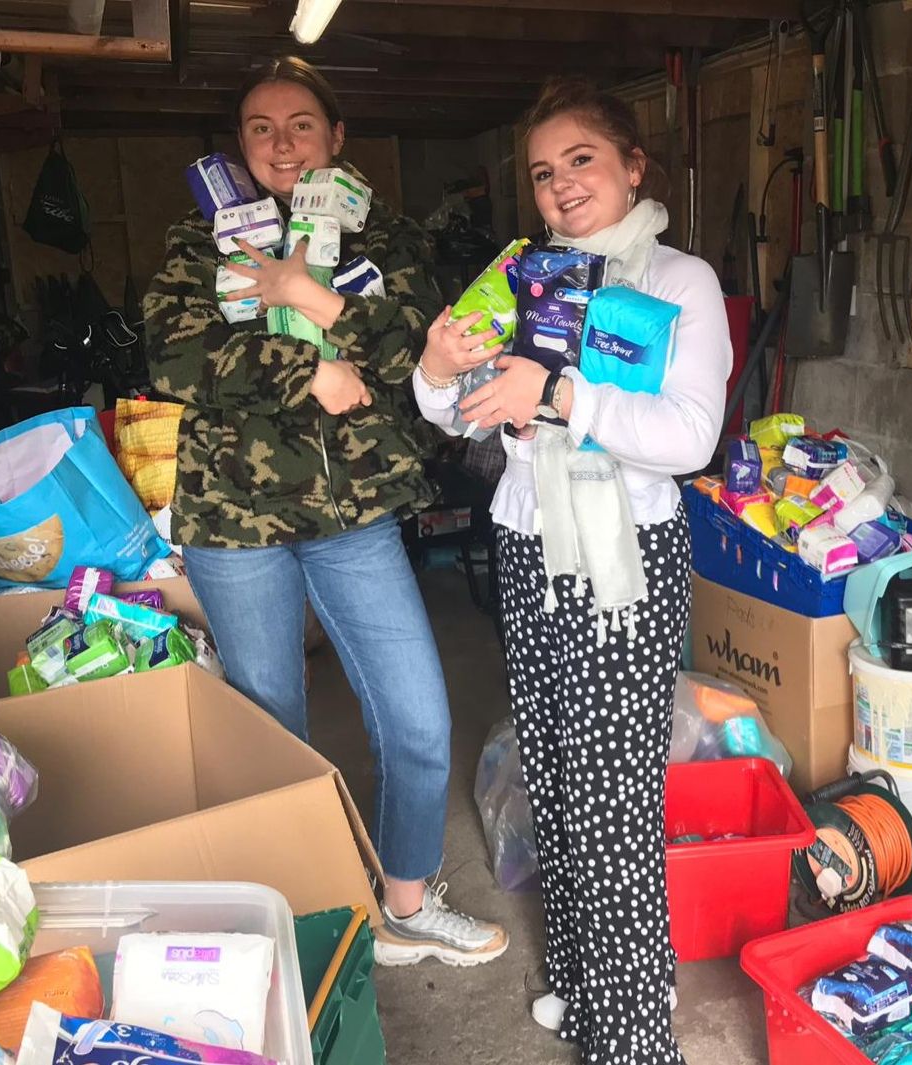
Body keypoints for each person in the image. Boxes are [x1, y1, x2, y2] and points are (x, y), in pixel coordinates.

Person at [143, 56, 507, 969]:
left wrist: (315, 301)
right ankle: (296, 919)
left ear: (335, 137)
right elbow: (176, 360)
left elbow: (420, 346)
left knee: (419, 720)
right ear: (240, 143)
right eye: (261, 126)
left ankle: (406, 906)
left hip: (356, 511)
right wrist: (310, 367)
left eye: (301, 123)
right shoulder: (201, 242)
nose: (280, 141)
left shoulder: (384, 232)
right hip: (234, 518)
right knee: (271, 730)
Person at [414, 77, 731, 1063]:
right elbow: (453, 405)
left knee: (615, 808)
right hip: (526, 544)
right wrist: (435, 367)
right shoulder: (520, 275)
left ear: (633, 165)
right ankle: (592, 990)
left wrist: (558, 395)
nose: (561, 186)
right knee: (555, 785)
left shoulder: (678, 282)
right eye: (544, 173)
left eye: (581, 160)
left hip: (622, 559)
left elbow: (688, 437)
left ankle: (634, 1038)